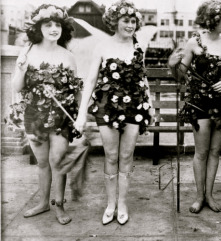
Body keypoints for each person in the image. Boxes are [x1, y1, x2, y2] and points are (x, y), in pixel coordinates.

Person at [74, 0, 153, 225]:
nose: (130, 25)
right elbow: (90, 81)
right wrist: (81, 114)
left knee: (126, 156)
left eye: (133, 21)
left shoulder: (137, 46)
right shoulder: (102, 46)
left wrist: (150, 106)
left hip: (134, 107)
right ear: (115, 21)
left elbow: (142, 78)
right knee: (111, 155)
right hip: (107, 107)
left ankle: (123, 203)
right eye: (125, 20)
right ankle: (110, 203)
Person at [168, 0, 221, 213]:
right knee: (201, 152)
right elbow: (180, 74)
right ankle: (199, 196)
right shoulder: (194, 43)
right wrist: (172, 63)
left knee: (215, 152)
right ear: (213, 20)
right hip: (200, 104)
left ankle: (210, 195)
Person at [11, 4, 83, 225]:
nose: (54, 29)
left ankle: (59, 205)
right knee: (42, 162)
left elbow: (76, 90)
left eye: (57, 25)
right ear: (38, 28)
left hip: (61, 117)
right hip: (34, 115)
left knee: (57, 160)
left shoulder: (68, 56)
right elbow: (16, 87)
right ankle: (43, 202)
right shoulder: (28, 52)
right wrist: (22, 68)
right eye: (48, 24)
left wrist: (79, 118)